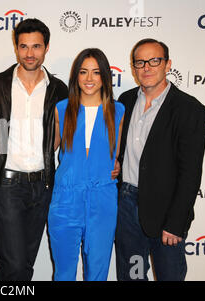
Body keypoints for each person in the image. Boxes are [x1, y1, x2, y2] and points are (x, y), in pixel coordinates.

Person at [0, 18, 68, 281]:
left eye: (36, 46)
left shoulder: (58, 88)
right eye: (24, 46)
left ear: (46, 47)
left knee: (24, 264)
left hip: (42, 185)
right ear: (16, 47)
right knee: (14, 264)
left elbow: (58, 139)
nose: (30, 53)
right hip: (8, 185)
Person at [115, 38, 205, 281]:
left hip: (165, 213)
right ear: (134, 68)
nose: (146, 67)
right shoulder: (124, 102)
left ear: (168, 65)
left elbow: (190, 174)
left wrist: (176, 223)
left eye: (154, 61)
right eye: (140, 62)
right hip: (126, 208)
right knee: (132, 276)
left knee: (170, 277)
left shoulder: (189, 109)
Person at [48, 48, 124, 281]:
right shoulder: (62, 108)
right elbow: (50, 148)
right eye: (83, 72)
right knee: (64, 272)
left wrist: (117, 164)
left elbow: (115, 154)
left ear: (105, 77)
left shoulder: (118, 110)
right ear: (76, 76)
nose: (89, 79)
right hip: (65, 199)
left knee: (98, 271)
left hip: (103, 199)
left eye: (96, 72)